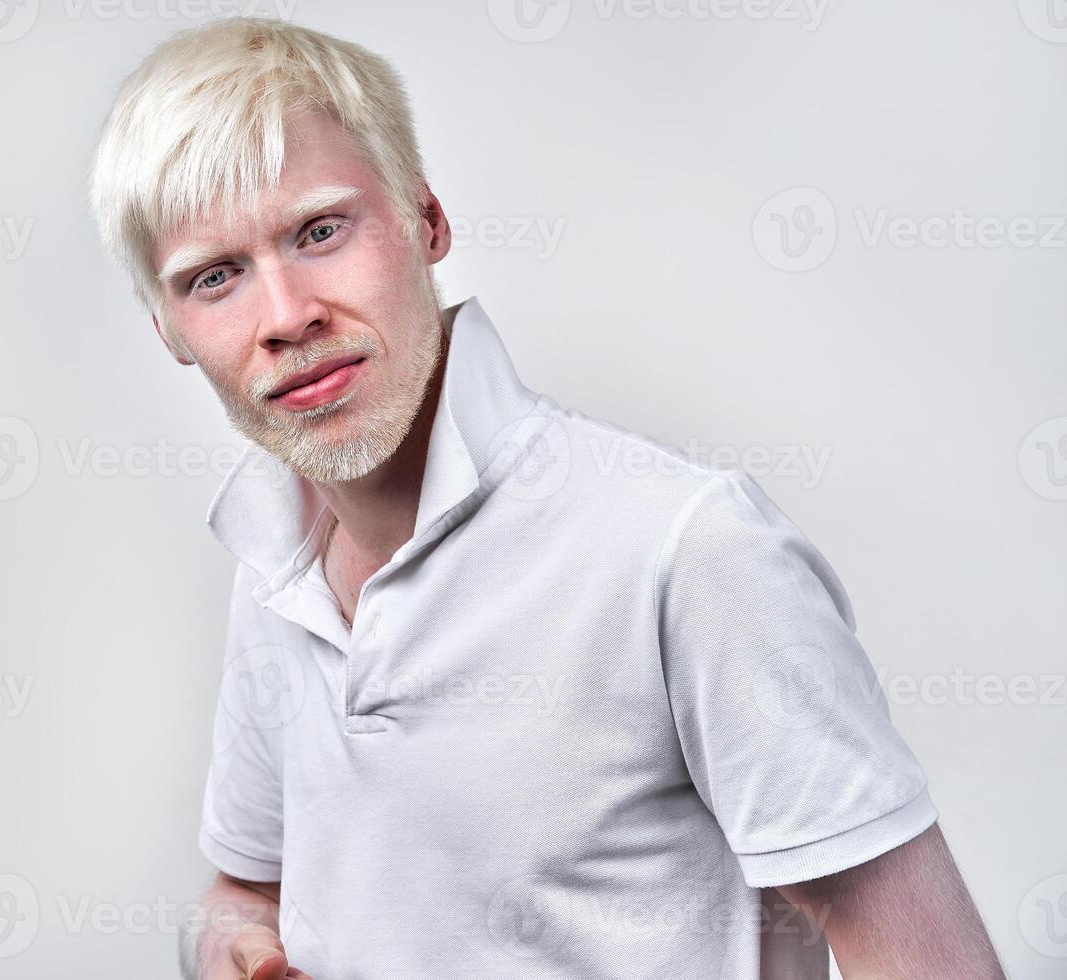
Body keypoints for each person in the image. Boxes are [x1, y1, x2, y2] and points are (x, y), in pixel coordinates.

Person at [89, 17, 1003, 979]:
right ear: (169, 330)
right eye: (215, 278)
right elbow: (242, 892)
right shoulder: (277, 564)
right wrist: (231, 950)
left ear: (425, 220)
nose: (285, 316)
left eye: (320, 230)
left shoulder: (685, 549)